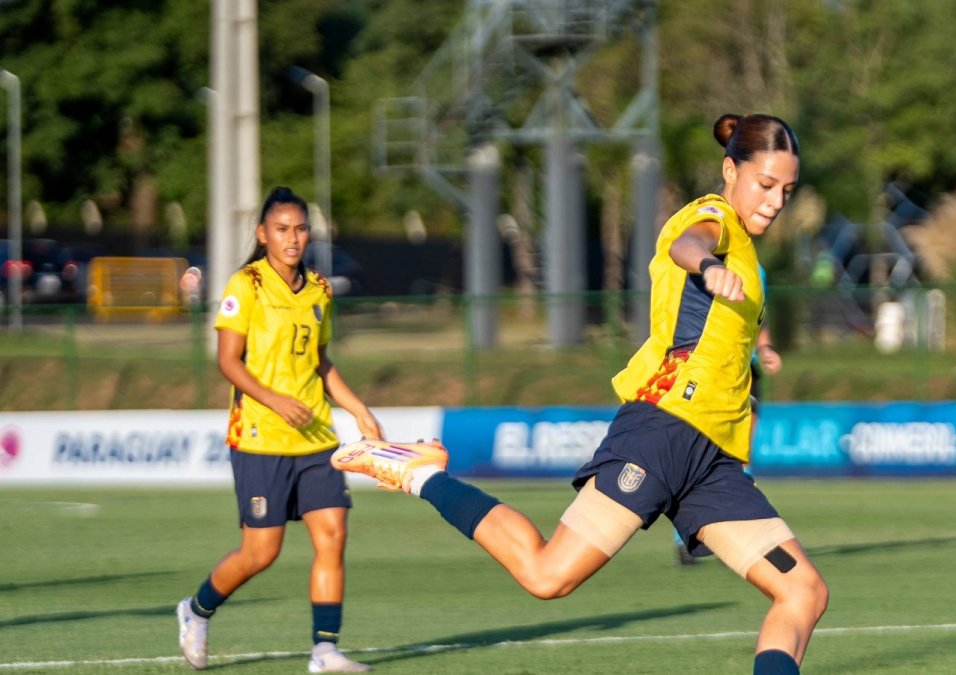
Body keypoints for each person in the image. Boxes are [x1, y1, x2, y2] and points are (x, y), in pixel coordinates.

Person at [334, 114, 829, 674]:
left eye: (786, 190)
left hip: (713, 457)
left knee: (803, 591)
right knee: (547, 576)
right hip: (663, 431)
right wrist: (709, 267)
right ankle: (420, 471)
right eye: (765, 185)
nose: (775, 200)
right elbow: (687, 246)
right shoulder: (711, 219)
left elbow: (720, 343)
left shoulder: (748, 254)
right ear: (729, 170)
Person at [176, 186, 382, 673]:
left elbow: (320, 362)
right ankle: (196, 609)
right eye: (283, 229)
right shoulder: (244, 285)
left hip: (316, 438)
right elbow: (228, 361)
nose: (293, 239)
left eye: (300, 229)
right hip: (259, 439)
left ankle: (325, 651)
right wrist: (272, 399)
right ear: (262, 234)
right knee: (260, 552)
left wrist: (358, 409)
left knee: (332, 534)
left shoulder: (321, 289)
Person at [675, 265, 782, 565]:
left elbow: (757, 313)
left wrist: (766, 347)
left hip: (746, 370)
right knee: (698, 453)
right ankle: (686, 535)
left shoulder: (756, 267)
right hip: (709, 370)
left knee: (742, 456)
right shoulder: (703, 257)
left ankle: (744, 536)